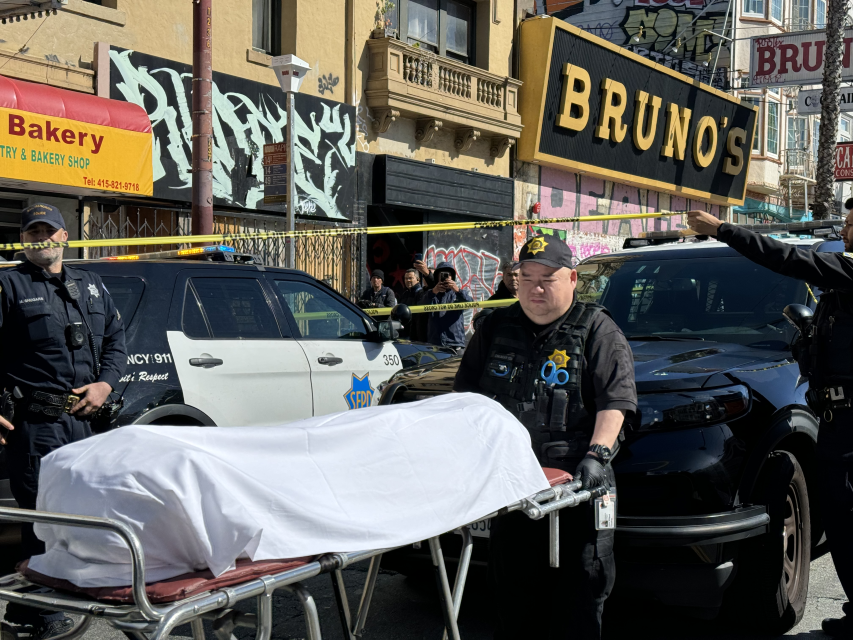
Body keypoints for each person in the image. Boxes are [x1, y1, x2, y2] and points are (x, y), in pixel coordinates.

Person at [454, 236, 636, 639]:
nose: (535, 288)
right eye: (527, 277)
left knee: (579, 600)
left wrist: (597, 454)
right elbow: (465, 401)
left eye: (547, 278)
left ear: (572, 278)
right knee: (514, 599)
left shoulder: (598, 331)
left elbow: (615, 404)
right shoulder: (494, 327)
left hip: (578, 489)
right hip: (513, 490)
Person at [687, 207, 853, 637]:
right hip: (837, 419)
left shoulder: (848, 273)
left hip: (851, 425)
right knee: (841, 518)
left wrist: (723, 229)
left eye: (852, 226)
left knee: (847, 518)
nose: (845, 231)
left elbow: (787, 258)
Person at [0, 204, 127, 639]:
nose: (42, 238)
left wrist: (105, 385)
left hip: (87, 422)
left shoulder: (89, 284)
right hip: (36, 425)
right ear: (24, 239)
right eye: (33, 231)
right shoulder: (7, 284)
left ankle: (70, 592)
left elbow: (115, 340)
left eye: (49, 231)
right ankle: (31, 612)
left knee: (85, 512)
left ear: (64, 236)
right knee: (43, 519)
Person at [422, 261, 473, 353]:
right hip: (435, 343)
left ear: (452, 277)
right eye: (442, 275)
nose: (445, 278)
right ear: (437, 277)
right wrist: (434, 291)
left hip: (455, 343)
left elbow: (470, 303)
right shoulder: (432, 293)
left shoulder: (457, 293)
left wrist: (457, 290)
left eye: (448, 275)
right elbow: (421, 306)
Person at [473, 259, 520, 332]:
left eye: (516, 275)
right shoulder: (494, 301)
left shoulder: (531, 297)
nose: (513, 278)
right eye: (509, 275)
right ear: (503, 278)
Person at [398, 268, 426, 340]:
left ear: (418, 279)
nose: (407, 280)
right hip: (404, 333)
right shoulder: (404, 294)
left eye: (410, 278)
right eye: (406, 278)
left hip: (417, 334)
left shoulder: (422, 293)